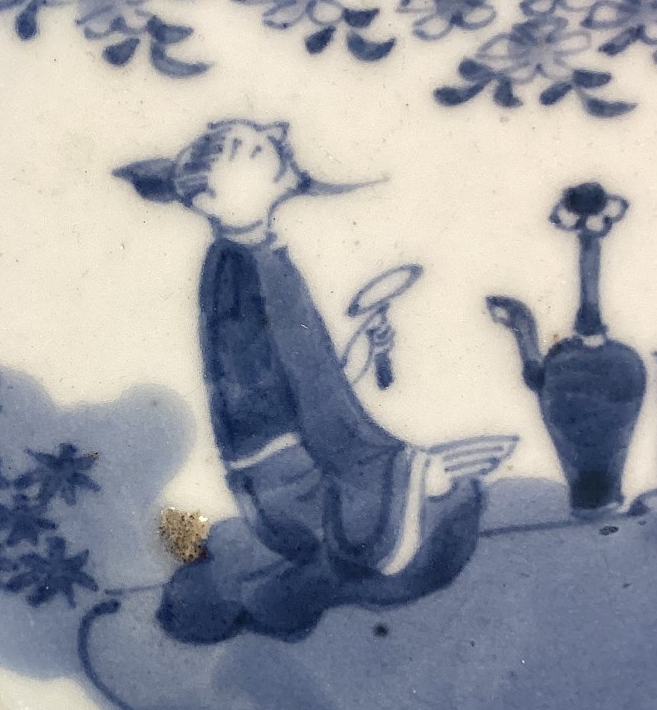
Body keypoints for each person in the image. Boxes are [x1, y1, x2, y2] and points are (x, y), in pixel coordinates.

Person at [118, 118, 514, 641]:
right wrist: (408, 469)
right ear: (208, 200)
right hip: (289, 475)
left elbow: (304, 374)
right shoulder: (247, 266)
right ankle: (309, 583)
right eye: (246, 149)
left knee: (452, 501)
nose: (270, 143)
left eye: (261, 142)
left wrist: (357, 357)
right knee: (447, 502)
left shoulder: (248, 257)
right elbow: (296, 384)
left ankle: (301, 586)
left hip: (283, 460)